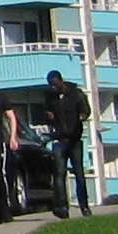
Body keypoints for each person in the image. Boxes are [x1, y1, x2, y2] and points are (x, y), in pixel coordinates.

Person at [41, 68, 94, 215]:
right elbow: (45, 114)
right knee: (59, 174)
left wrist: (81, 116)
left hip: (74, 139)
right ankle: (62, 207)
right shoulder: (50, 97)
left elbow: (85, 110)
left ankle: (84, 205)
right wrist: (48, 117)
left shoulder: (76, 94)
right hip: (59, 139)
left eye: (54, 84)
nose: (52, 87)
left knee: (78, 173)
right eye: (50, 84)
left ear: (60, 81)